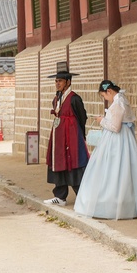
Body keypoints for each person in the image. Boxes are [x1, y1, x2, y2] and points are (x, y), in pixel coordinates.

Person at [74, 80, 137, 220]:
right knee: (124, 170)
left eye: (104, 96)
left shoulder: (118, 103)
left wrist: (101, 120)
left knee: (113, 169)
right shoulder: (121, 100)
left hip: (117, 141)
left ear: (109, 92)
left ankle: (112, 204)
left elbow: (115, 127)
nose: (105, 99)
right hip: (123, 139)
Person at [44, 70, 89, 206]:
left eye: (60, 81)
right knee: (58, 161)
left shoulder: (75, 98)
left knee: (73, 162)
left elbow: (82, 117)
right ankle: (60, 196)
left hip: (71, 136)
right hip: (58, 135)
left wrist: (78, 134)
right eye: (56, 81)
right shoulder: (57, 98)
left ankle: (82, 197)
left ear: (68, 82)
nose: (57, 84)